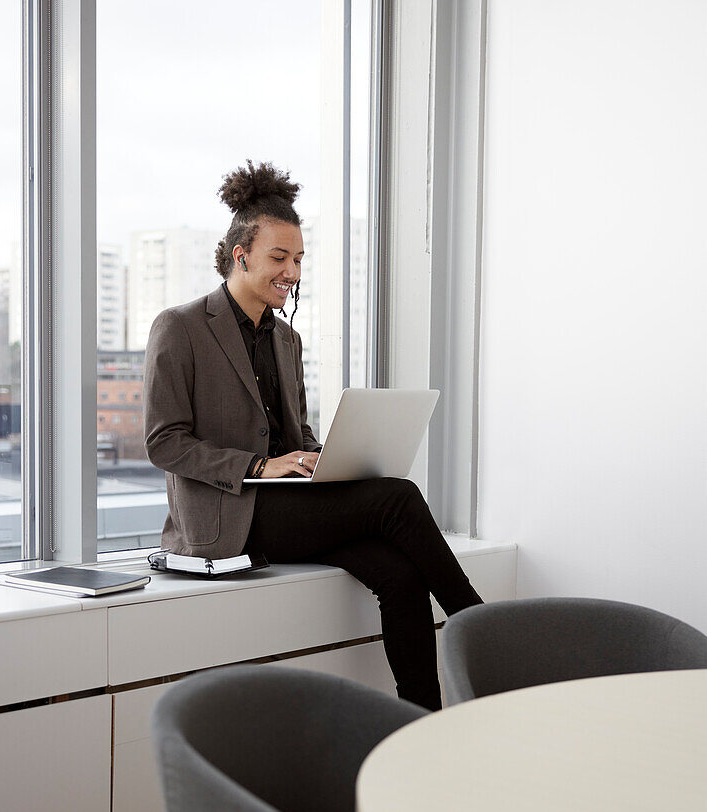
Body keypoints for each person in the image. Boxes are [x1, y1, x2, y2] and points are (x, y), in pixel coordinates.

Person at [143, 160, 482, 709]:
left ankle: (423, 719)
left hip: (287, 504)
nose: (292, 272)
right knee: (396, 498)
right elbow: (164, 441)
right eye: (279, 258)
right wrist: (259, 467)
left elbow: (294, 432)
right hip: (231, 518)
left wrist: (327, 458)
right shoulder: (181, 327)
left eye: (298, 259)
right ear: (241, 255)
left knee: (398, 575)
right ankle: (482, 628)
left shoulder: (286, 339)